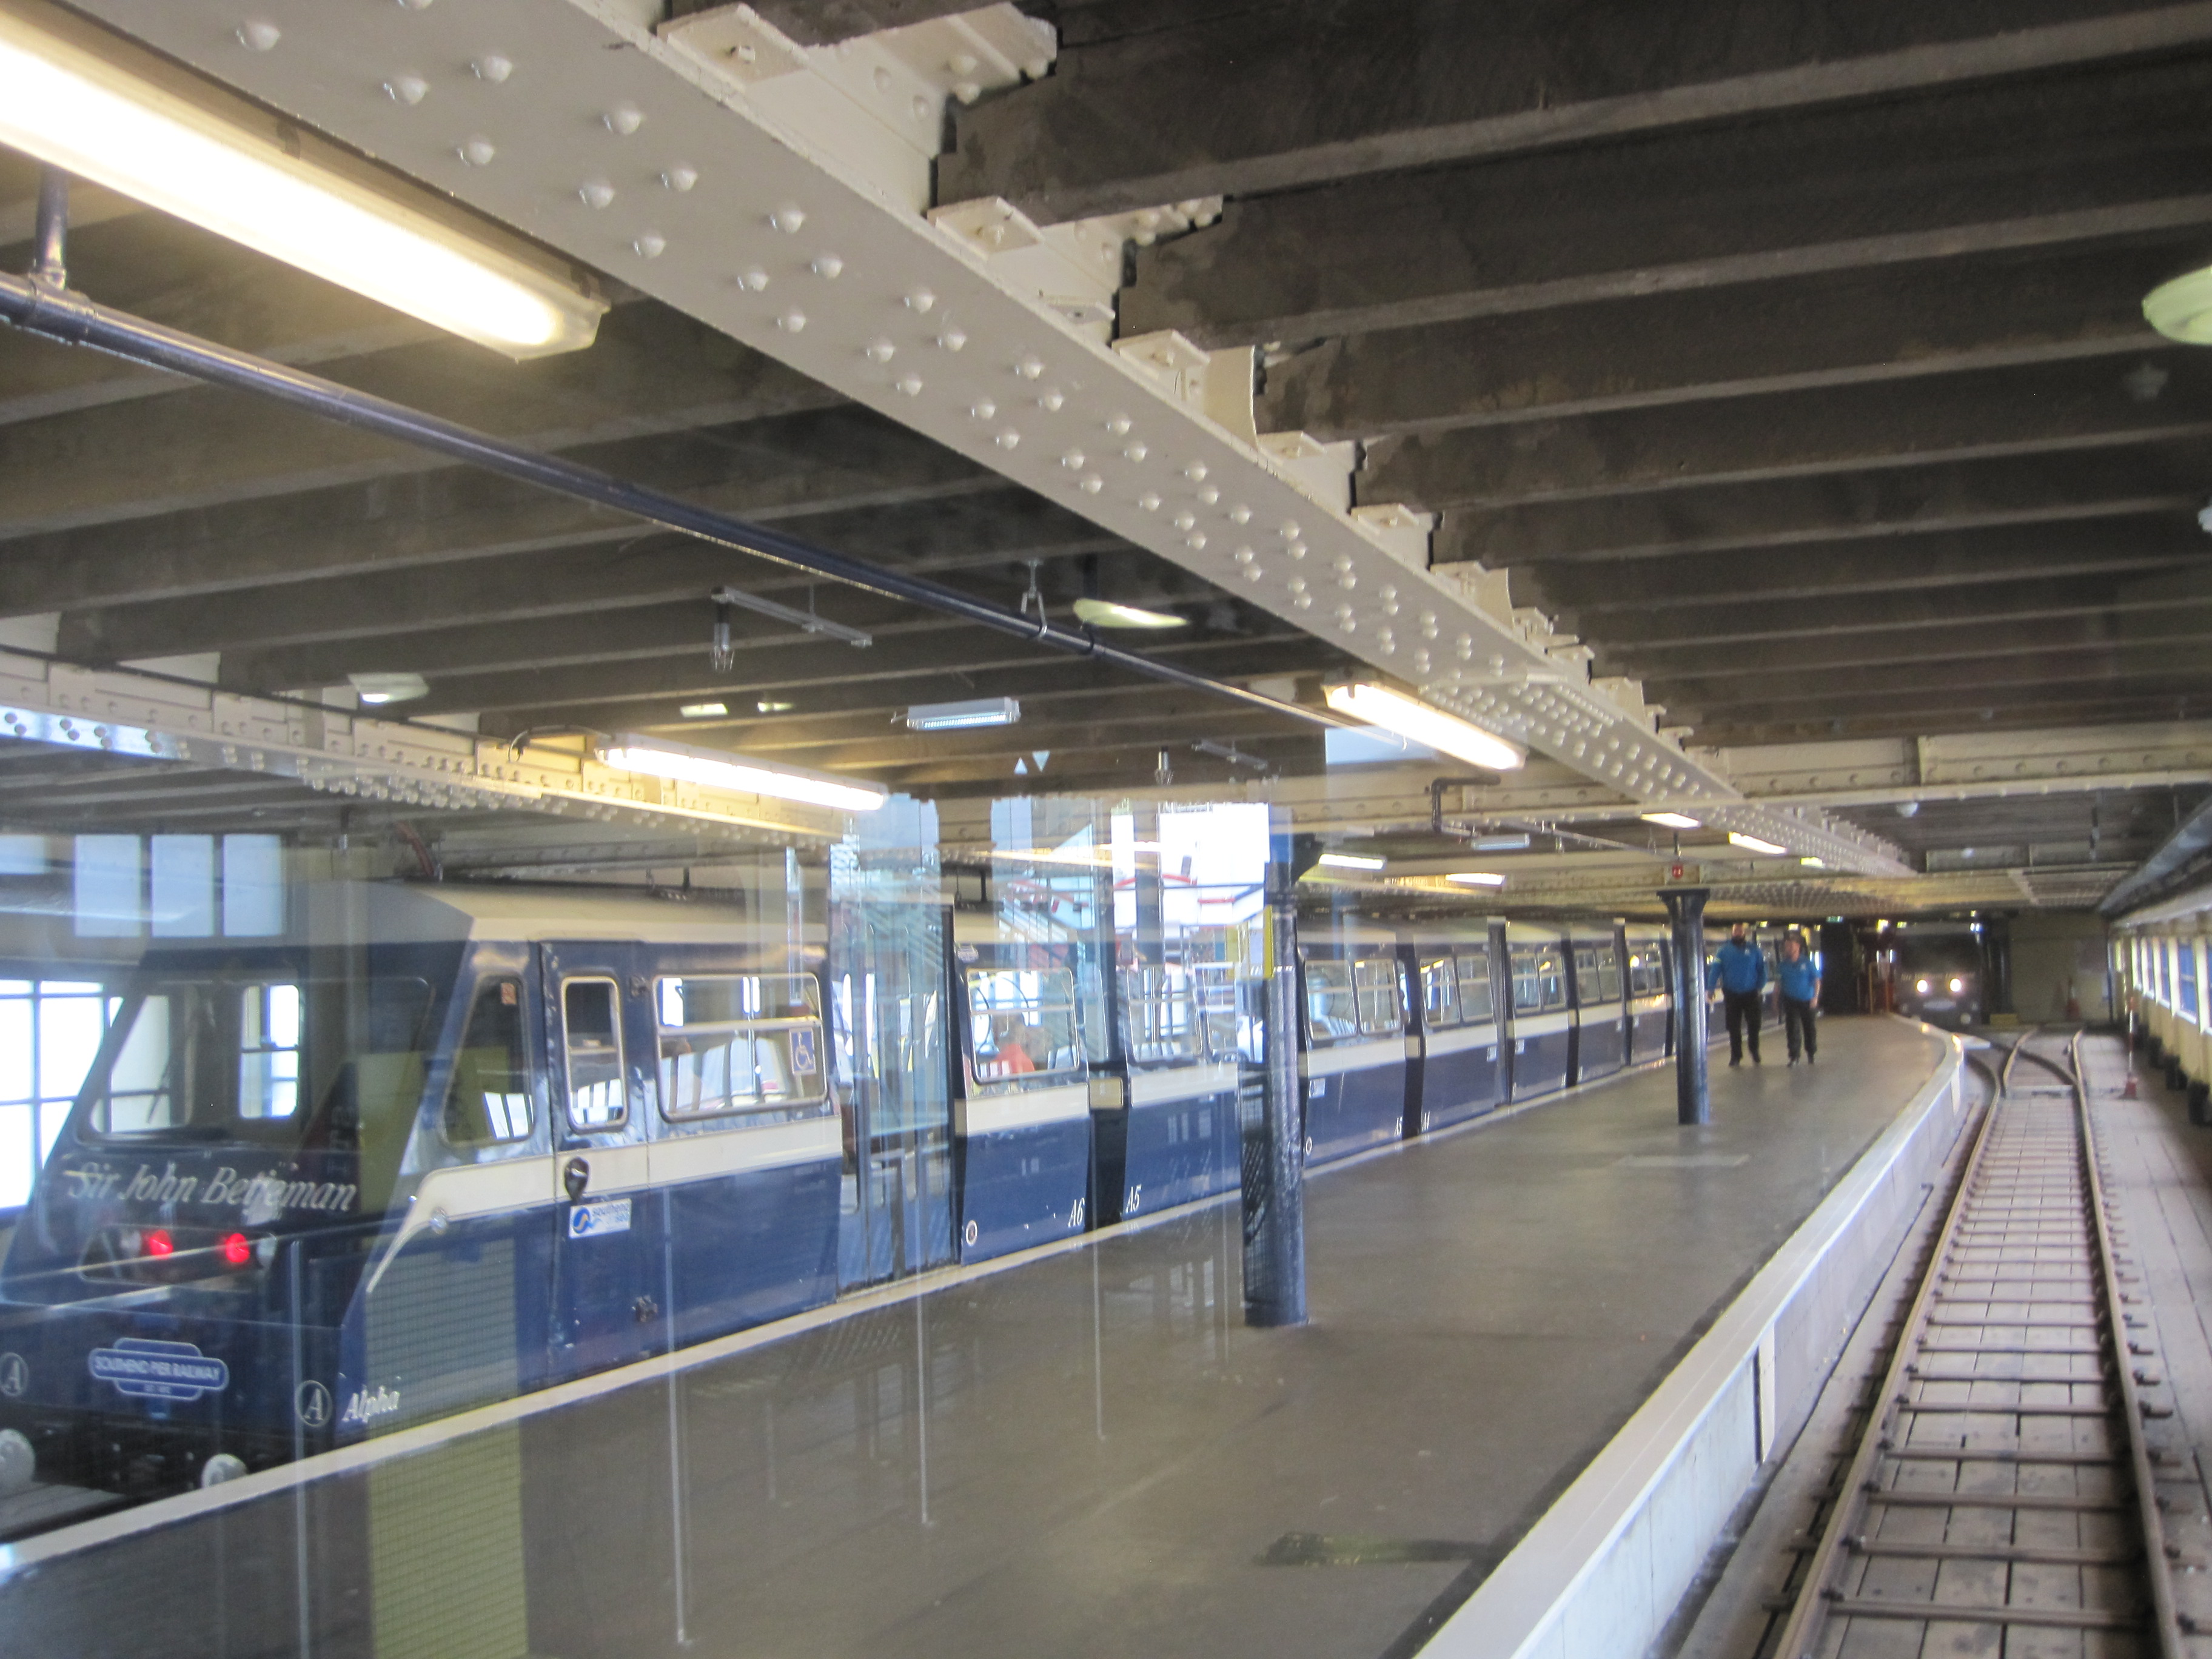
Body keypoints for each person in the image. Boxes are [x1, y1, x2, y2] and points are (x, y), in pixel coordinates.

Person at [1707, 922, 1767, 1066]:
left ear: (1744, 933)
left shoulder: (1754, 951)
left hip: (1751, 994)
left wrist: (1760, 987)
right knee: (1733, 1027)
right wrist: (1711, 988)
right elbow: (1716, 969)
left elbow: (1762, 970)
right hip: (1732, 994)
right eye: (1735, 931)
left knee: (1754, 1025)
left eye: (1739, 931)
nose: (1737, 933)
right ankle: (1736, 1056)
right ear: (1732, 933)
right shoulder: (1723, 951)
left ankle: (1754, 1051)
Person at [1778, 933, 1822, 1065]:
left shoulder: (1807, 963)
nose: (1788, 949)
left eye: (1791, 946)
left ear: (1798, 947)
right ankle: (1794, 1056)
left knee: (1809, 1028)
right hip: (1790, 1001)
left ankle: (1811, 1053)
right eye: (1787, 946)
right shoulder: (1782, 965)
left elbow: (1816, 981)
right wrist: (1776, 1001)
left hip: (1807, 1000)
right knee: (1792, 1029)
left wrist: (1815, 997)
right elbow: (1779, 984)